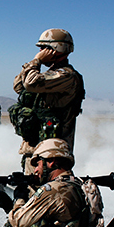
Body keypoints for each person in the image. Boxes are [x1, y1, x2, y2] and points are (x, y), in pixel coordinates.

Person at [12, 28, 85, 174]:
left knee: (43, 194)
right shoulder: (46, 75)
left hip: (52, 157)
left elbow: (30, 84)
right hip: (36, 150)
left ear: (57, 48)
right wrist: (34, 63)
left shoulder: (67, 76)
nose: (40, 51)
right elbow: (19, 86)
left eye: (44, 48)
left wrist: (37, 60)